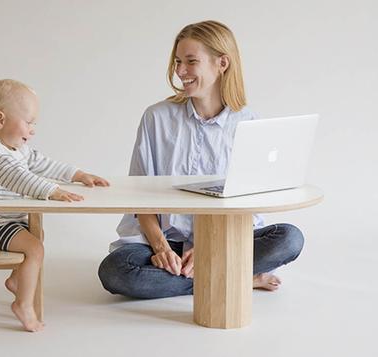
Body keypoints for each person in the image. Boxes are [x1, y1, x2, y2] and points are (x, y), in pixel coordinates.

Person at [97, 21, 304, 299]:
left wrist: (209, 249)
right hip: (160, 241)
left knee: (289, 239)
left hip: (222, 241)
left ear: (222, 63)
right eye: (178, 62)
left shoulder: (248, 122)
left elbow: (249, 204)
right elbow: (139, 197)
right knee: (115, 271)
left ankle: (208, 271)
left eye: (191, 61)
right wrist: (161, 248)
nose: (181, 71)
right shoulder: (156, 118)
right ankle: (236, 276)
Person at [0, 79, 109, 331]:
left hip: (8, 221)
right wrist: (52, 191)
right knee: (35, 249)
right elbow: (21, 180)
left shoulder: (17, 148)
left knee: (37, 235)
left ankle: (16, 280)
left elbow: (44, 164)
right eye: (29, 121)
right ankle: (23, 305)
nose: (33, 130)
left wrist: (78, 175)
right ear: (0, 120)